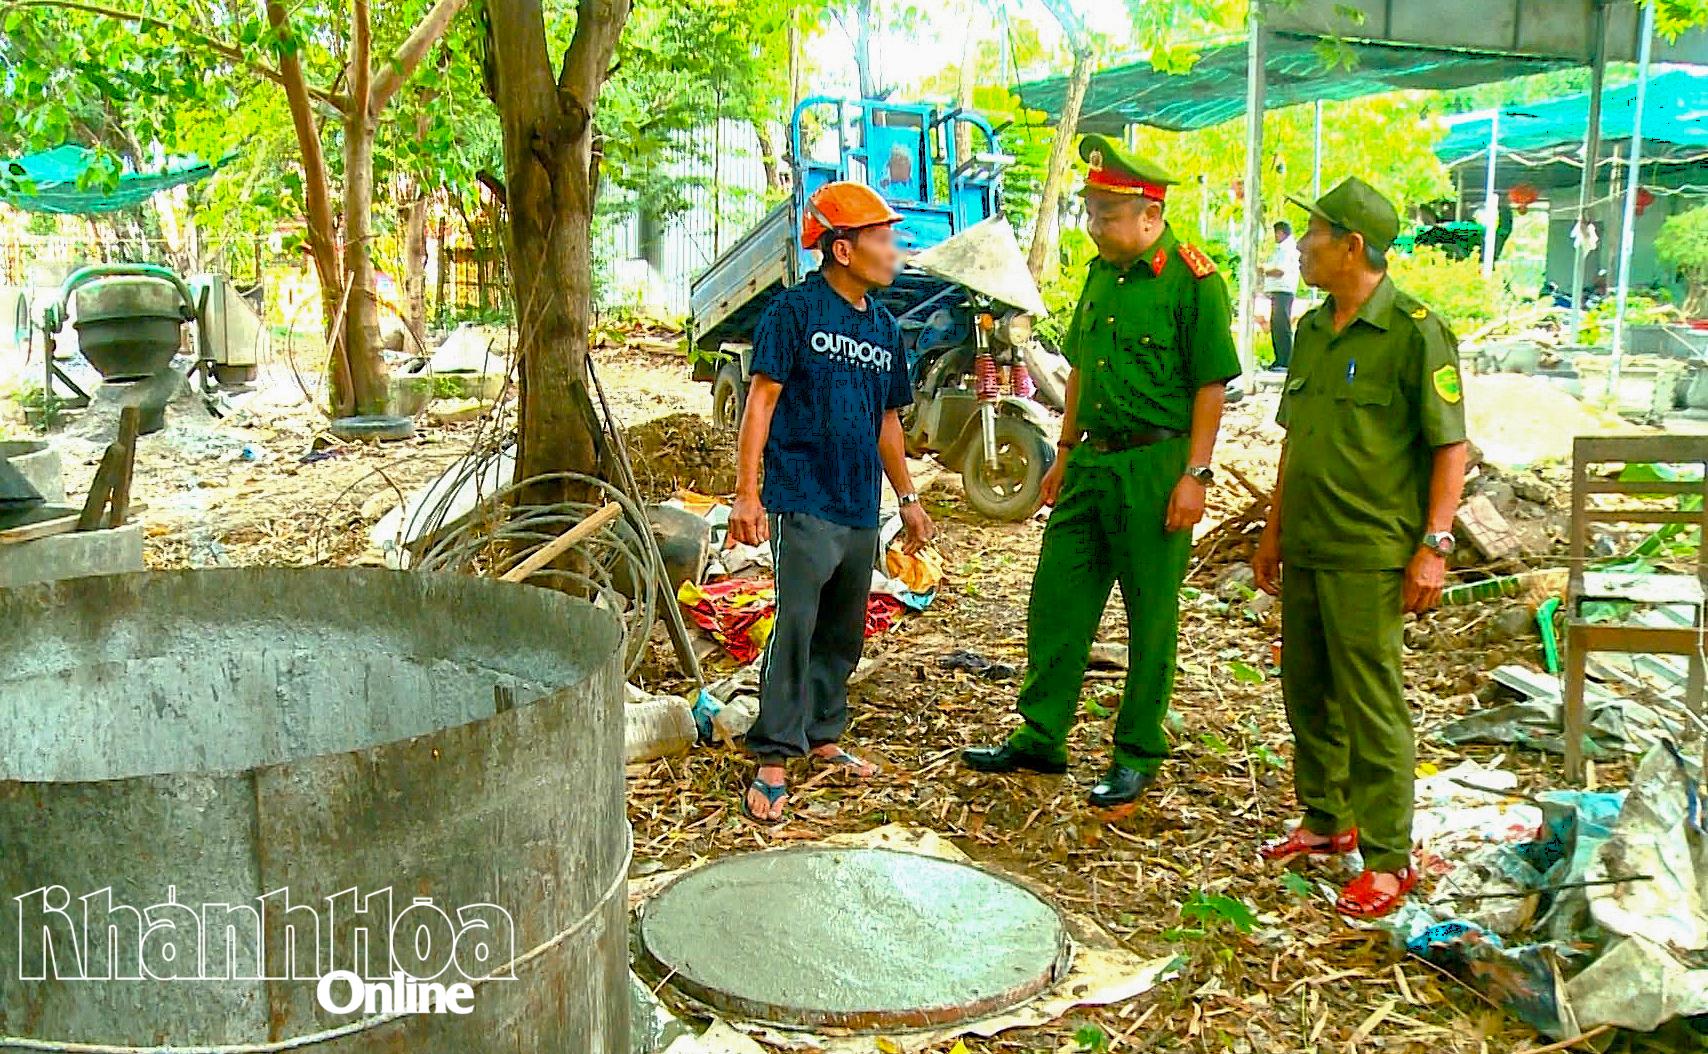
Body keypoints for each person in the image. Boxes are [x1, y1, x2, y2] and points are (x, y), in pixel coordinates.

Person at [961, 135, 1241, 813]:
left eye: (1107, 214)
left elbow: (1210, 385)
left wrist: (1196, 474)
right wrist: (1064, 447)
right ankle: (1041, 734)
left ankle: (1136, 750)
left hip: (1157, 463)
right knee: (1057, 599)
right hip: (1090, 459)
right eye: (1089, 211)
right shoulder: (1099, 276)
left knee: (1151, 615)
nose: (1093, 225)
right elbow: (1082, 368)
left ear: (1150, 215)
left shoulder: (1194, 281)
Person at [1252, 177, 1469, 920]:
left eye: (1313, 235)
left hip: (1372, 550)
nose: (1300, 248)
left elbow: (1450, 447)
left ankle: (1387, 855)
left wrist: (1434, 545)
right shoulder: (1312, 329)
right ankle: (1325, 820)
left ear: (1351, 246)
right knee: (1305, 688)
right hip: (1308, 543)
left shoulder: (1414, 331)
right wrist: (1272, 534)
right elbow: (1294, 442)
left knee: (1371, 702)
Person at [727, 180, 936, 825]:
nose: (895, 250)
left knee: (844, 629)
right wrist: (746, 492)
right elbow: (760, 403)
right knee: (795, 626)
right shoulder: (793, 314)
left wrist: (907, 498)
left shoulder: (883, 329)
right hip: (803, 497)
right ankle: (773, 755)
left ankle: (823, 735)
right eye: (882, 238)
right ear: (843, 250)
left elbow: (888, 426)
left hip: (857, 505)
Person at [1262, 220, 1301, 371]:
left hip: (1283, 290)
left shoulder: (1287, 249)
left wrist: (1263, 269)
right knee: (1277, 325)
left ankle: (1284, 361)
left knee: (1281, 326)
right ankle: (1280, 359)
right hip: (1279, 291)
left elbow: (1280, 270)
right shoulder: (1282, 249)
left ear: (1281, 232)